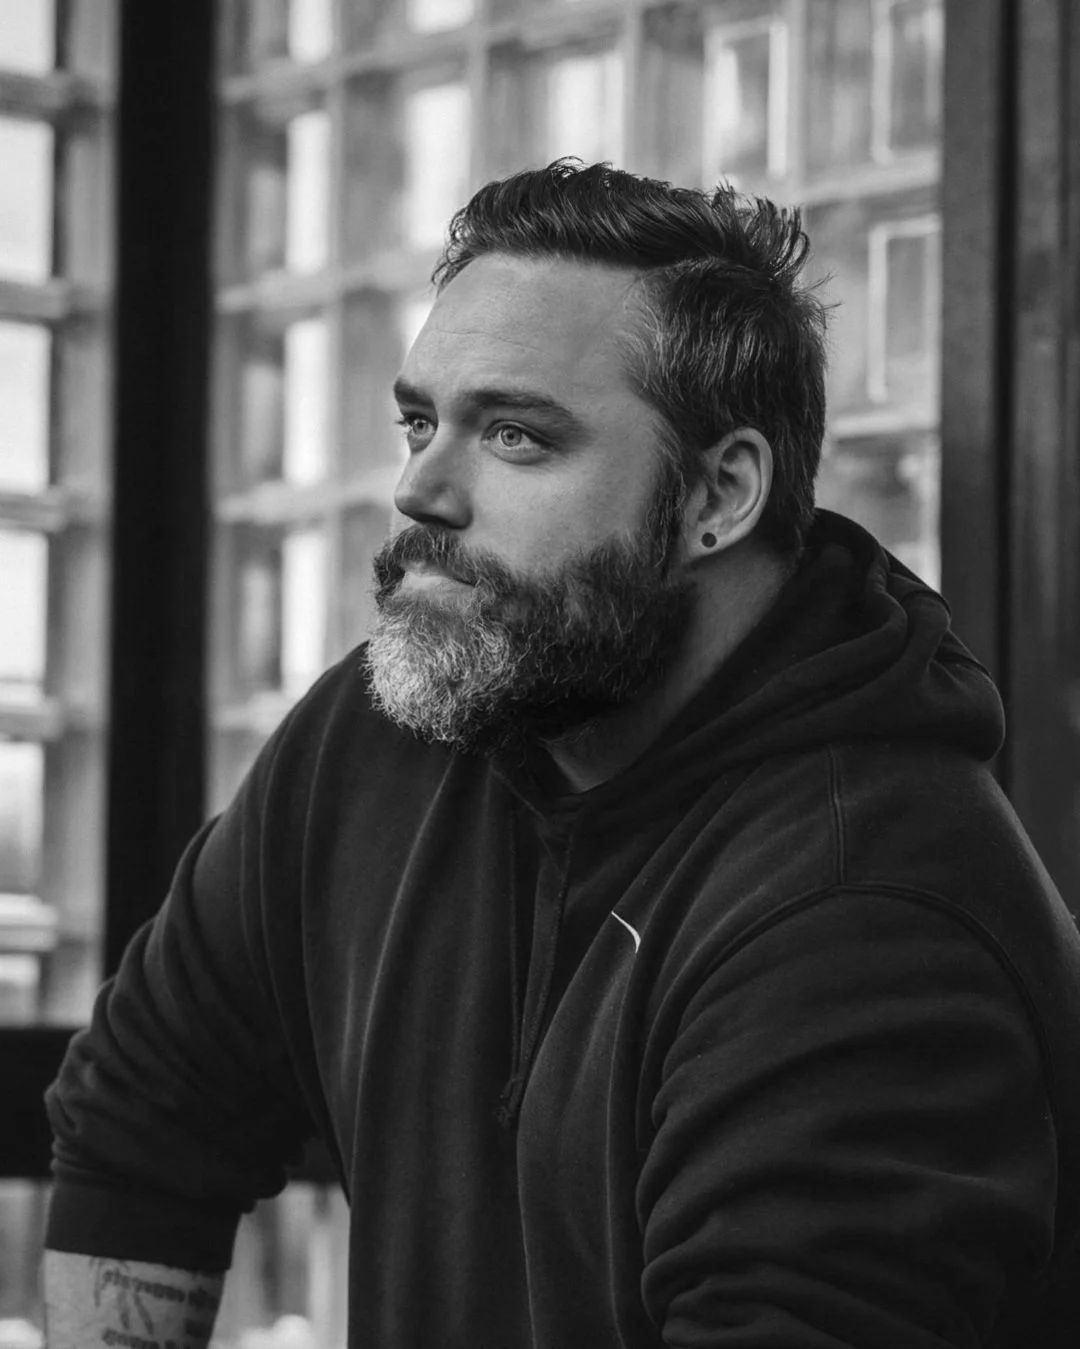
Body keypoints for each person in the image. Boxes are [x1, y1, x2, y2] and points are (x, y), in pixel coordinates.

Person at [43, 160, 1080, 1349]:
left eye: (517, 436)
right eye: (421, 422)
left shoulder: (863, 904)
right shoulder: (377, 739)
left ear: (718, 493)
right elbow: (147, 1114)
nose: (421, 488)